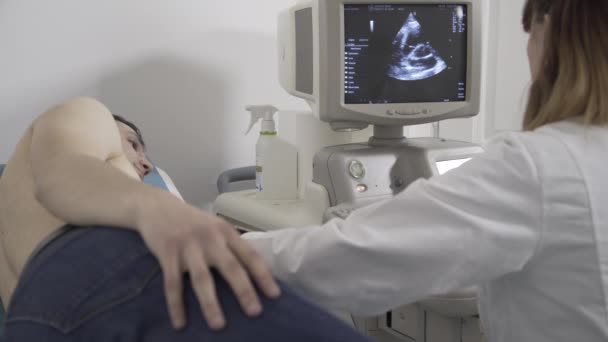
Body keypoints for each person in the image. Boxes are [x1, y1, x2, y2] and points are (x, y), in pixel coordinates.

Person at [242, 0, 608, 341]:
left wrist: (225, 247)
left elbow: (359, 255)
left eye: (529, 33)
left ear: (550, 29)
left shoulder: (536, 166)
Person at [0, 99, 370, 341]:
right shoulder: (84, 112)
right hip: (112, 266)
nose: (145, 164)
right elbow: (61, 172)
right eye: (133, 144)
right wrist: (161, 207)